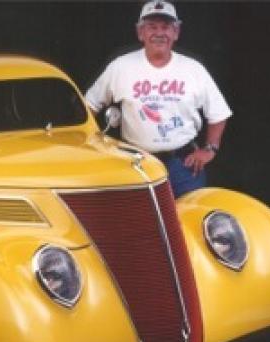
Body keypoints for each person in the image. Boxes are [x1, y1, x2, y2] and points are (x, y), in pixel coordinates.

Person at [85, 0, 232, 197]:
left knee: (188, 214)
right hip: (136, 164)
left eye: (166, 27)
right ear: (140, 33)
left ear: (176, 32)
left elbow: (219, 113)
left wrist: (210, 149)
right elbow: (89, 105)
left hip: (184, 166)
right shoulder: (120, 67)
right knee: (137, 216)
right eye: (152, 27)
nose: (159, 33)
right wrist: (93, 145)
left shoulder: (194, 69)